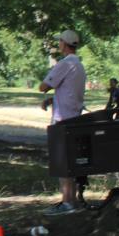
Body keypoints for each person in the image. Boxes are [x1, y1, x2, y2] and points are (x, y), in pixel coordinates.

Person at [39, 30, 87, 215]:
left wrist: (49, 89)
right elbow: (69, 92)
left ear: (64, 44)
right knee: (70, 161)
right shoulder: (79, 65)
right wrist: (52, 100)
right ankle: (71, 200)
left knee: (62, 162)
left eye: (59, 41)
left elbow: (43, 86)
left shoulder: (64, 64)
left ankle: (67, 203)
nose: (58, 44)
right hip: (75, 117)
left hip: (62, 120)